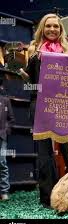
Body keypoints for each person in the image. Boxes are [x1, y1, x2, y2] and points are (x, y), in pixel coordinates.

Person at [19, 13, 68, 208]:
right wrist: (25, 76)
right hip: (39, 105)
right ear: (42, 28)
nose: (52, 29)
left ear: (60, 29)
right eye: (48, 26)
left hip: (64, 105)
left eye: (56, 26)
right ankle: (48, 198)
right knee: (44, 154)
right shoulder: (33, 50)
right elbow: (29, 83)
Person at [0, 71, 15, 200]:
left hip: (2, 137)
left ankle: (4, 191)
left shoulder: (5, 101)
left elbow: (11, 119)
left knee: (2, 162)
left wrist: (5, 131)